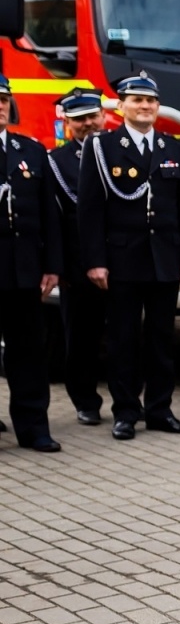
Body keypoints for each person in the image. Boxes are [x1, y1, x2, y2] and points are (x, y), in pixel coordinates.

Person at [78, 73, 180, 441]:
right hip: (123, 261)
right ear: (121, 106)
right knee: (123, 339)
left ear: (158, 107)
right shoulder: (104, 148)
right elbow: (90, 211)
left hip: (164, 259)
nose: (144, 106)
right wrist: (95, 260)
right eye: (136, 100)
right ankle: (126, 412)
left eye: (150, 101)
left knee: (162, 339)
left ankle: (160, 410)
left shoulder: (172, 148)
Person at [0, 75, 63, 452]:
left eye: (4, 99)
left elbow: (49, 217)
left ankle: (34, 427)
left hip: (24, 269)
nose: (0, 106)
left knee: (28, 351)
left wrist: (52, 265)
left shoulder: (31, 151)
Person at [48, 89, 109, 425]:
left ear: (103, 115)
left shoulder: (118, 150)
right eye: (80, 119)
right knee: (81, 340)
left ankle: (127, 400)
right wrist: (60, 267)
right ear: (67, 122)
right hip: (79, 265)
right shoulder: (55, 162)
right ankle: (85, 401)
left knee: (126, 337)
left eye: (92, 116)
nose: (88, 124)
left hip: (121, 263)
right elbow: (54, 223)